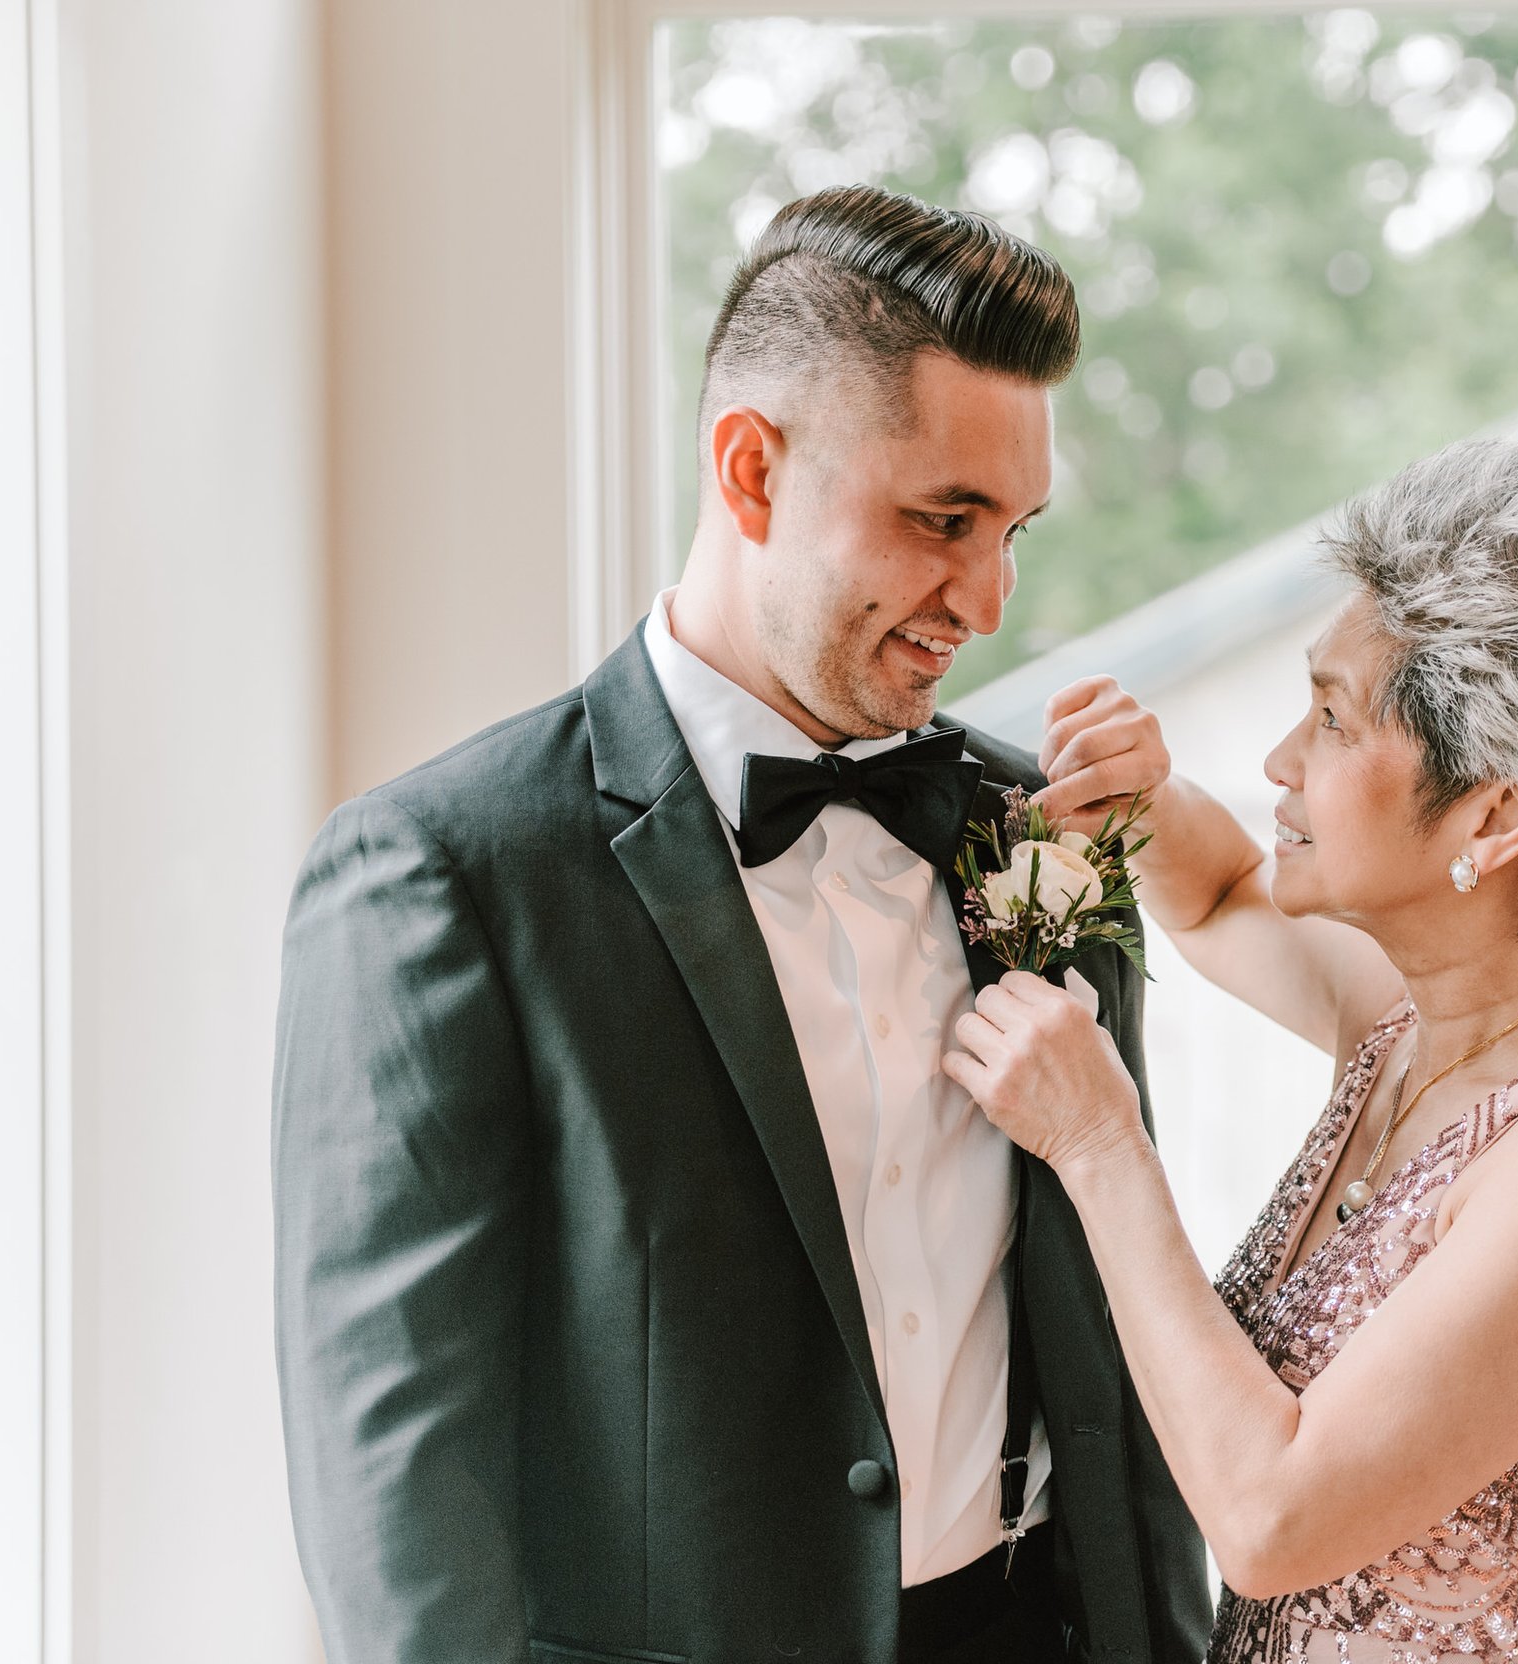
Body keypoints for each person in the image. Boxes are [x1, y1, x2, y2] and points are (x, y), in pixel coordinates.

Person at [272, 186, 1209, 1664]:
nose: (990, 597)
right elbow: (396, 1479)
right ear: (751, 468)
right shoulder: (442, 873)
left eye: (1015, 529)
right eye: (941, 521)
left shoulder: (1035, 834)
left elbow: (1101, 1312)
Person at [946, 440, 1518, 1662]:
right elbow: (1224, 894)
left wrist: (1097, 1142)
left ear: (1494, 812)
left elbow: (1275, 1519)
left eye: (1331, 718)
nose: (1281, 757)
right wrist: (1142, 796)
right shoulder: (1427, 1013)